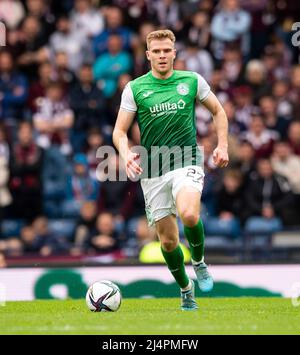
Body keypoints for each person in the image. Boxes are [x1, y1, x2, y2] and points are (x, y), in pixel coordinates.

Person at [113, 29, 229, 311]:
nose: (162, 55)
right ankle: (186, 289)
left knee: (189, 214)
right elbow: (119, 131)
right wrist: (126, 153)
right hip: (153, 170)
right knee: (167, 242)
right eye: (157, 51)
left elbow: (218, 111)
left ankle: (199, 262)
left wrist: (222, 145)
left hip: (186, 159)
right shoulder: (136, 88)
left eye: (167, 50)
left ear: (174, 53)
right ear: (148, 55)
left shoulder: (191, 80)